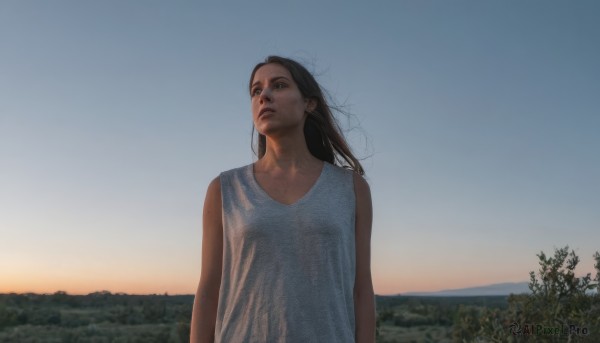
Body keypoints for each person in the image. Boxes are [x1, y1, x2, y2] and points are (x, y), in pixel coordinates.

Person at [190, 56, 375, 343]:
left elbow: (361, 289)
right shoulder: (225, 189)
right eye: (256, 91)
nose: (264, 96)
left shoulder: (351, 188)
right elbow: (209, 290)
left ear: (308, 103)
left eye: (278, 85)